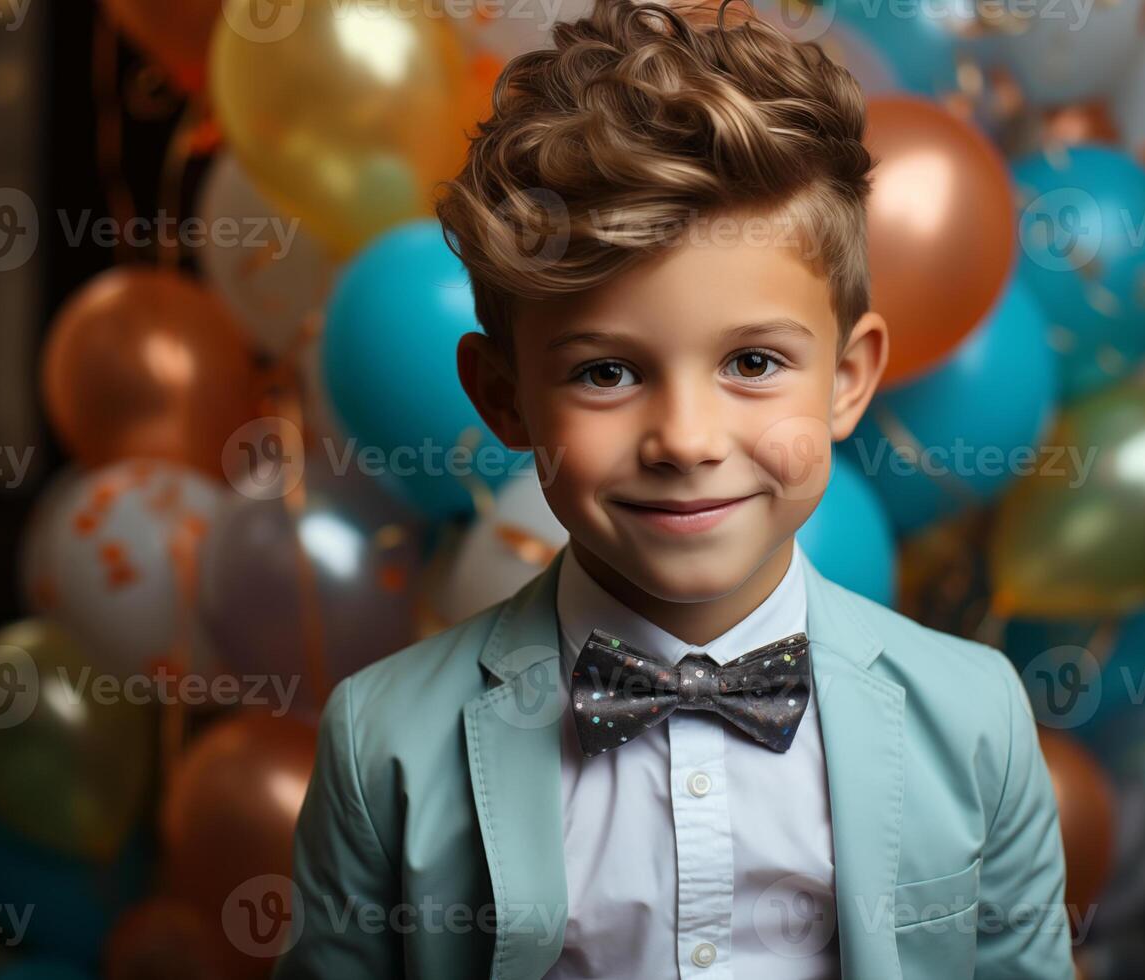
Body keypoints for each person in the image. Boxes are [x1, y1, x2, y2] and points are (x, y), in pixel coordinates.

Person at [274, 1, 1073, 976]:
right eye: (606, 371)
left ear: (851, 378)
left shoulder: (976, 715)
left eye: (752, 361)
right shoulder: (385, 743)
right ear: (503, 396)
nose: (687, 441)